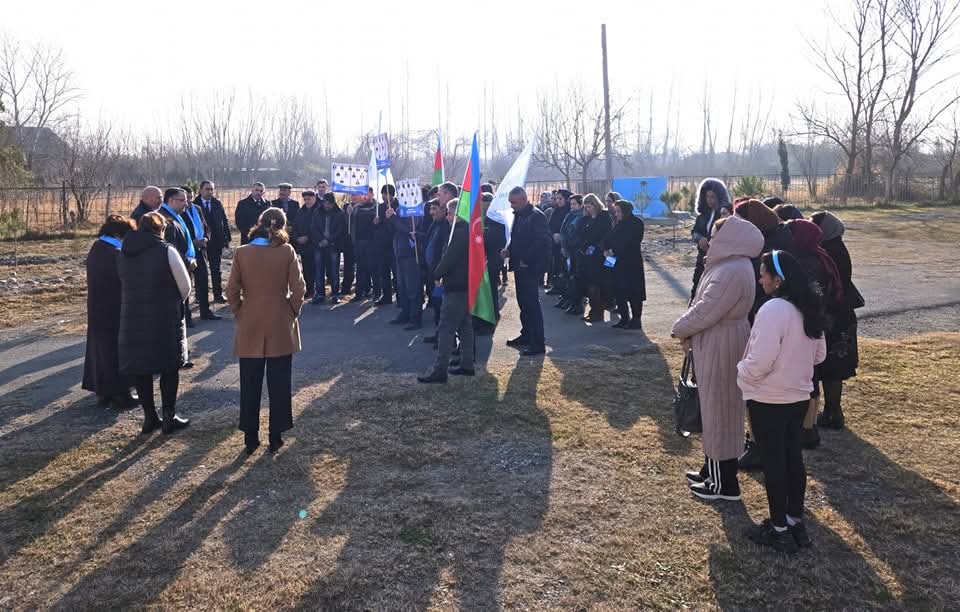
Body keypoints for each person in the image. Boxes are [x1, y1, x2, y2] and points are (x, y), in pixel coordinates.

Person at [739, 250, 827, 553]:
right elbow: (819, 355)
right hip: (798, 396)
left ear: (778, 279)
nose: (760, 280)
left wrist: (742, 373)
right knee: (792, 458)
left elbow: (761, 360)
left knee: (774, 463)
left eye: (763, 274)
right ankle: (794, 522)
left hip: (769, 398)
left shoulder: (773, 309)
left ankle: (778, 530)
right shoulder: (807, 306)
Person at [672, 215, 764, 501]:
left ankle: (724, 483)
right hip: (718, 340)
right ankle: (712, 470)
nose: (710, 241)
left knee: (721, 411)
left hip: (721, 343)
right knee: (715, 410)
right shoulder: (729, 265)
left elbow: (706, 310)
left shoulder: (731, 270)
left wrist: (680, 328)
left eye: (715, 236)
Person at [227, 208, 306, 454]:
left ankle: (250, 436)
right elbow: (299, 288)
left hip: (250, 319)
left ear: (259, 223)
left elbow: (231, 290)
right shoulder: (286, 251)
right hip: (280, 319)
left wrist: (240, 311)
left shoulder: (242, 252)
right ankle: (276, 435)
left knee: (249, 383)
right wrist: (291, 311)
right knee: (280, 382)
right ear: (283, 225)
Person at [733, 198, 797, 471]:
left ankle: (758, 445)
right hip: (765, 314)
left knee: (761, 386)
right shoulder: (773, 239)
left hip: (764, 315)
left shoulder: (770, 249)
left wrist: (743, 373)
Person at [118, 211, 192, 435]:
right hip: (164, 316)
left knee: (141, 368)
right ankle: (169, 415)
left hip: (132, 315)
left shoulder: (123, 252)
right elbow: (185, 286)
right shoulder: (166, 250)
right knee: (169, 366)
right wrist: (175, 301)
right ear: (160, 229)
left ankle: (149, 417)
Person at [787, 218, 846, 449]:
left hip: (810, 324)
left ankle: (808, 427)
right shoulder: (820, 256)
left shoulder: (808, 262)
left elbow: (807, 295)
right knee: (812, 376)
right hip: (817, 323)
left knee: (810, 377)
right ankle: (811, 425)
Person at [810, 211, 860, 431]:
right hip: (842, 314)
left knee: (831, 368)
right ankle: (833, 411)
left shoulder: (829, 251)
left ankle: (833, 412)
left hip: (834, 317)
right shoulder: (837, 247)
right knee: (834, 368)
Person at [82, 214, 138, 409]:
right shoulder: (114, 253)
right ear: (119, 234)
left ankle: (103, 391)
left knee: (100, 351)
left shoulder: (98, 248)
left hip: (98, 308)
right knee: (117, 351)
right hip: (115, 308)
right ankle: (121, 393)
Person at [418, 200, 474, 383]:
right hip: (464, 284)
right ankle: (467, 363)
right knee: (465, 325)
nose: (448, 217)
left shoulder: (459, 233)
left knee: (446, 327)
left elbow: (449, 257)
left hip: (456, 285)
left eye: (450, 213)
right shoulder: (466, 230)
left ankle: (440, 370)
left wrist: (437, 273)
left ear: (457, 214)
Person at [503, 187, 551, 356]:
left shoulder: (536, 216)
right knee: (523, 302)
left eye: (513, 202)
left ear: (523, 200)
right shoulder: (519, 215)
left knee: (531, 304)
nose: (511, 205)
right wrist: (509, 250)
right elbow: (516, 238)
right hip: (520, 265)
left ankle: (537, 342)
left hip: (530, 267)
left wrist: (526, 259)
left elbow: (542, 242)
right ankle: (527, 334)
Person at [157, 188, 198, 331]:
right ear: (171, 201)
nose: (186, 204)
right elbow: (171, 248)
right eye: (182, 200)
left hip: (184, 264)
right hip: (176, 268)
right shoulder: (165, 218)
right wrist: (187, 262)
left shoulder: (175, 215)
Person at [603, 200, 646, 330]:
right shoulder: (616, 223)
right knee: (618, 291)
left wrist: (615, 250)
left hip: (631, 262)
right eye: (615, 211)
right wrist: (606, 249)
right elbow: (608, 238)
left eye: (619, 211)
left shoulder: (636, 223)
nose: (616, 214)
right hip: (615, 262)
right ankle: (624, 318)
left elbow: (632, 242)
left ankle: (636, 319)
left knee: (634, 292)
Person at [386, 190, 425, 329]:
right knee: (401, 286)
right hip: (400, 252)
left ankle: (415, 318)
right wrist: (389, 218)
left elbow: (409, 229)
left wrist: (394, 218)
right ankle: (405, 312)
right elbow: (394, 230)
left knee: (412, 287)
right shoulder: (399, 209)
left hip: (411, 253)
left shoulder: (416, 210)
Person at [182, 186, 221, 322]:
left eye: (191, 197)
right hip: (187, 252)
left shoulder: (197, 209)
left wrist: (206, 238)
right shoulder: (179, 212)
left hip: (201, 250)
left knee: (203, 281)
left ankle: (205, 311)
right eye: (186, 198)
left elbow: (206, 226)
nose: (188, 200)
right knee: (187, 283)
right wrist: (193, 242)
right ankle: (186, 316)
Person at [689, 178, 731, 302]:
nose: (709, 200)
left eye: (712, 197)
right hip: (701, 259)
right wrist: (699, 239)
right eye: (707, 196)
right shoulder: (702, 216)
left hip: (718, 260)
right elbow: (694, 232)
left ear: (719, 197)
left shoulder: (725, 216)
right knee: (697, 287)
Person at [576, 194, 613, 323]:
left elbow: (605, 235)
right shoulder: (586, 219)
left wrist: (597, 248)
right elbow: (581, 234)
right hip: (587, 256)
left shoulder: (604, 217)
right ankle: (594, 311)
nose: (588, 209)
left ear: (595, 205)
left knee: (597, 286)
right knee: (590, 285)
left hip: (600, 256)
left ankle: (598, 312)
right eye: (586, 207)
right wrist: (584, 247)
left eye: (590, 206)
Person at [194, 181, 231, 303]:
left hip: (216, 241)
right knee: (200, 271)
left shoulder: (217, 203)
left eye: (212, 189)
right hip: (201, 243)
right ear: (200, 190)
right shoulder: (194, 205)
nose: (210, 192)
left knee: (216, 269)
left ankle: (218, 294)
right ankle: (200, 295)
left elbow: (224, 221)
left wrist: (227, 238)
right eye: (207, 189)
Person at [423, 198, 449, 344]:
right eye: (430, 209)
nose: (431, 212)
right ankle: (439, 334)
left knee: (442, 306)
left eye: (434, 209)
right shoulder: (434, 224)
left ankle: (445, 339)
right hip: (432, 271)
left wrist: (440, 273)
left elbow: (444, 252)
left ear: (443, 210)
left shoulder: (446, 226)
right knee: (436, 305)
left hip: (440, 274)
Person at [480, 192, 508, 332]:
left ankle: (491, 320)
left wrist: (481, 239)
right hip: (489, 260)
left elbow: (493, 239)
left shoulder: (496, 219)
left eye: (485, 203)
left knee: (490, 292)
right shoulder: (487, 219)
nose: (483, 206)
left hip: (492, 260)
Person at [312, 193, 346, 304]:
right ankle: (320, 294)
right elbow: (314, 228)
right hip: (319, 245)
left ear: (333, 203)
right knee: (319, 271)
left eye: (329, 204)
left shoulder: (339, 213)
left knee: (334, 271)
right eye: (325, 203)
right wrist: (321, 240)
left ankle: (335, 294)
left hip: (333, 246)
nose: (326, 206)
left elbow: (340, 231)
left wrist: (328, 240)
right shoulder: (317, 212)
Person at [557, 194, 585, 315]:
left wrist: (571, 245)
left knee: (575, 277)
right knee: (566, 275)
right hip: (567, 249)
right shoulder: (569, 216)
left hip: (576, 250)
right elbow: (563, 231)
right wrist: (564, 246)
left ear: (580, 204)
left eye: (574, 204)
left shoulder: (582, 217)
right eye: (571, 204)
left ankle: (577, 303)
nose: (572, 206)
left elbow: (578, 234)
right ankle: (568, 299)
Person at [372, 184, 397, 306]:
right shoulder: (380, 207)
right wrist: (375, 223)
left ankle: (400, 296)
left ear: (391, 195)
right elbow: (376, 227)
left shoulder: (398, 206)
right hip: (382, 244)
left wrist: (391, 217)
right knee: (383, 271)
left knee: (397, 272)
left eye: (386, 194)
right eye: (382, 194)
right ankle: (386, 296)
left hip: (394, 243)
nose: (383, 197)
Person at [351, 193, 378, 302]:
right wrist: (348, 214)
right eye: (363, 194)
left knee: (374, 268)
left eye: (368, 194)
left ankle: (377, 293)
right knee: (360, 269)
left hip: (372, 242)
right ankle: (359, 293)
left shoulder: (377, 207)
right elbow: (350, 224)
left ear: (372, 195)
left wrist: (378, 222)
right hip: (359, 241)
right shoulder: (356, 208)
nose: (365, 197)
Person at [546, 189, 571, 295]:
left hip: (566, 243)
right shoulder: (556, 211)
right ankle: (556, 286)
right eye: (557, 199)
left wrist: (561, 236)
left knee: (565, 267)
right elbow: (550, 225)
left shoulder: (569, 211)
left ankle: (566, 289)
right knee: (556, 265)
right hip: (555, 243)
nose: (558, 201)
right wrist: (553, 234)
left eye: (560, 199)